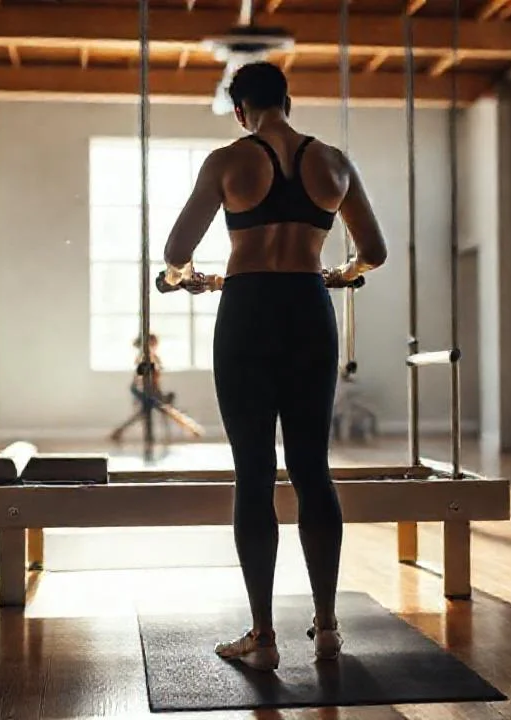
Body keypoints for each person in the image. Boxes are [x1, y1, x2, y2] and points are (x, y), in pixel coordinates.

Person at [160, 61, 389, 671]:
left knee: (254, 472)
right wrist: (339, 274)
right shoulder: (334, 162)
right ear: (289, 99)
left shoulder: (229, 160)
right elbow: (375, 252)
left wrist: (184, 279)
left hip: (248, 314)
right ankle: (329, 627)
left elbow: (176, 253)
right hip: (309, 312)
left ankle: (263, 637)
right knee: (313, 468)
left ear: (241, 110)